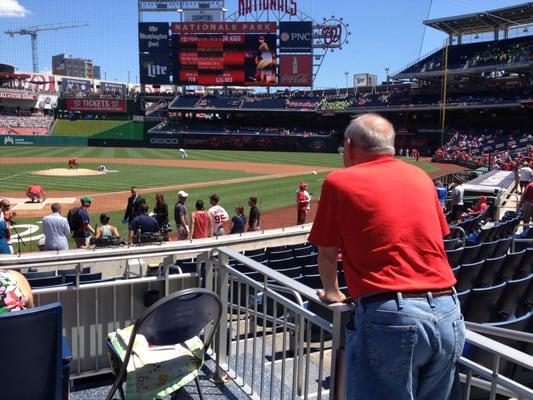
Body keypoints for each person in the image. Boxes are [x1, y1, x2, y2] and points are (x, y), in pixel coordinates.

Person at [309, 114, 463, 399]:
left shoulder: (339, 181)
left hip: (391, 314)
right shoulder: (420, 176)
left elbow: (327, 252)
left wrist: (332, 292)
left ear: (350, 146)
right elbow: (436, 237)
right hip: (448, 311)